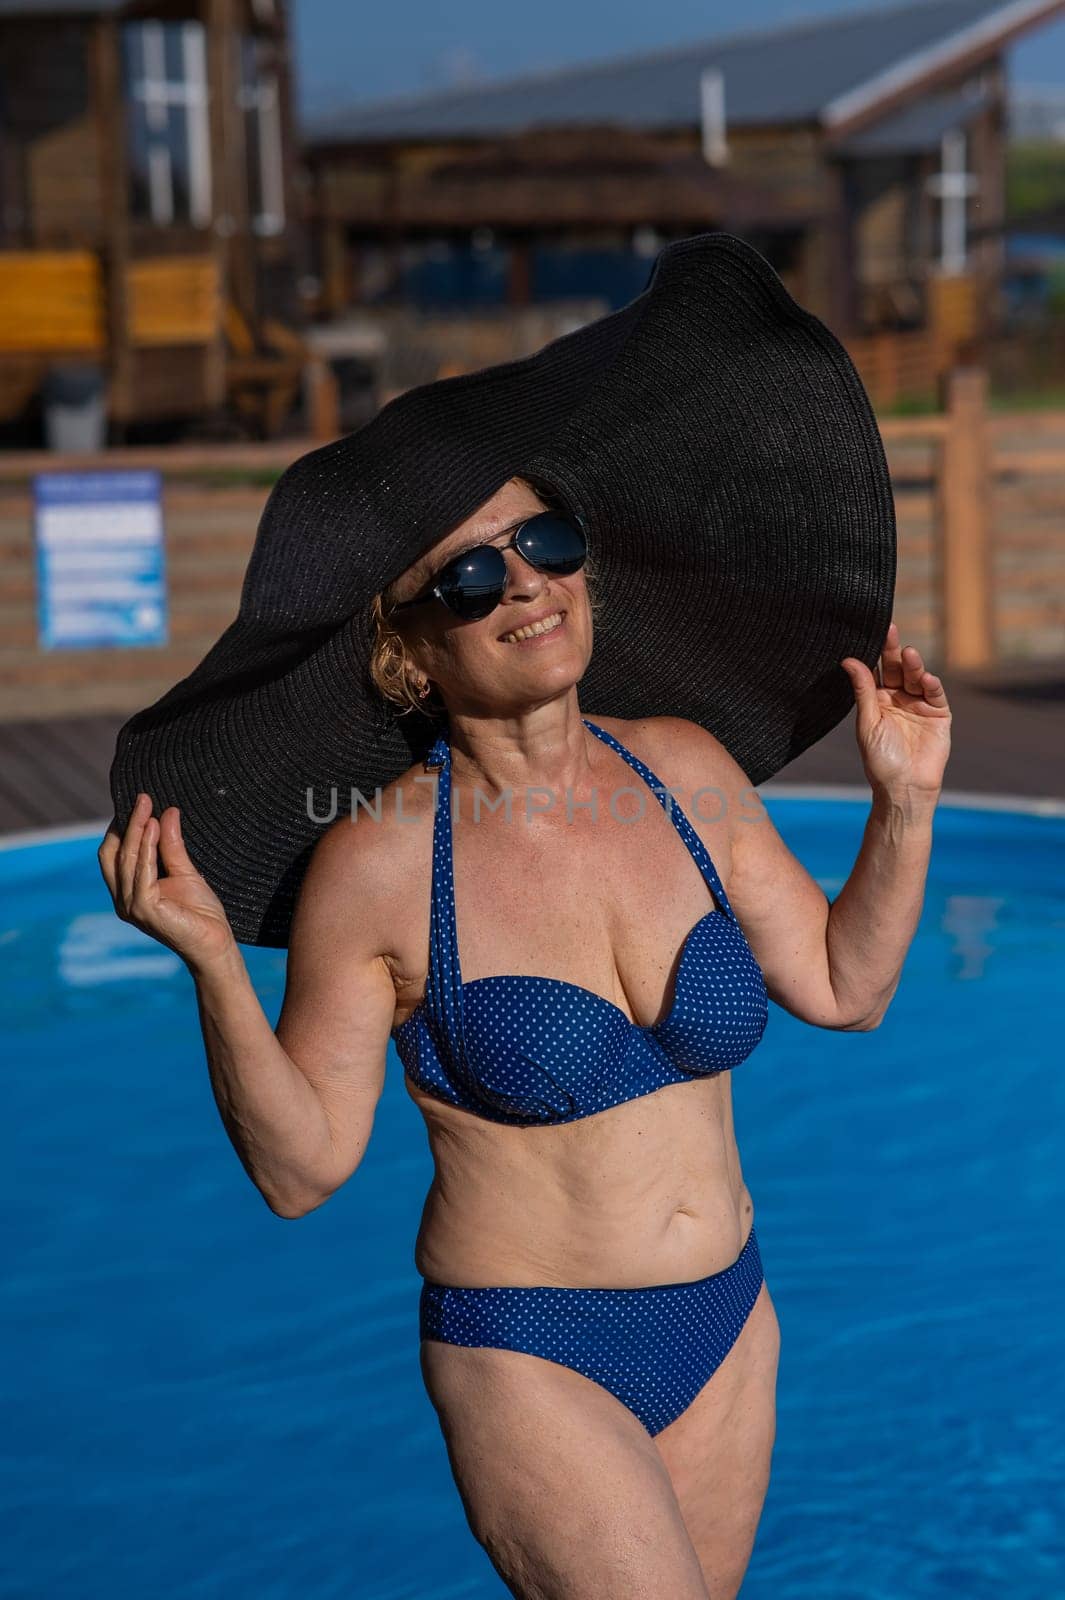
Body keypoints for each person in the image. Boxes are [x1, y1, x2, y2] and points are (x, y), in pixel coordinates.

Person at [99, 233, 951, 1598]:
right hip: (530, 1345)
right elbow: (302, 1169)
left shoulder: (684, 772)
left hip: (730, 1321)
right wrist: (209, 960)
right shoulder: (377, 864)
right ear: (406, 648)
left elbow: (845, 988)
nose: (526, 587)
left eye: (540, 542)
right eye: (470, 577)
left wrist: (898, 805)